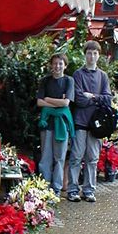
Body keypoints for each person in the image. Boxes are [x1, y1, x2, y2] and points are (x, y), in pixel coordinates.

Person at [67, 40, 112, 203]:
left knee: (92, 158)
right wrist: (97, 99)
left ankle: (89, 190)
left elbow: (108, 99)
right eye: (89, 53)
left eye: (94, 53)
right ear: (85, 54)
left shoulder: (103, 76)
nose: (91, 56)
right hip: (80, 121)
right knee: (76, 157)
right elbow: (78, 99)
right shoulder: (78, 74)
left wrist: (92, 96)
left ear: (98, 55)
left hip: (96, 125)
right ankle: (73, 190)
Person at [37, 53, 75, 196]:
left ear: (65, 66)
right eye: (55, 63)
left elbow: (66, 103)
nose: (57, 66)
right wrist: (58, 103)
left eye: (60, 63)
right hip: (47, 123)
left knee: (60, 157)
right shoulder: (45, 81)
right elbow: (39, 102)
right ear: (51, 65)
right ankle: (45, 186)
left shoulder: (69, 81)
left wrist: (48, 99)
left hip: (62, 124)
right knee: (45, 157)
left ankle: (57, 188)